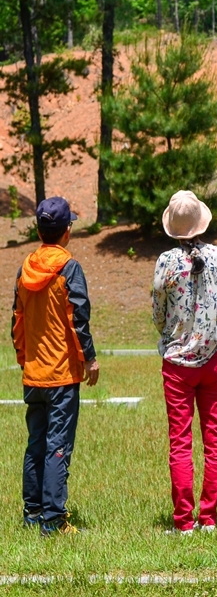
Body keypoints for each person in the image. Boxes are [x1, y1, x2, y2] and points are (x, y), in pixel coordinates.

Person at [12, 196, 99, 536]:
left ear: (39, 230)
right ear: (67, 232)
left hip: (33, 373)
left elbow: (17, 321)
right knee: (57, 446)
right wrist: (89, 359)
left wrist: (24, 359)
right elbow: (78, 319)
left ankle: (32, 512)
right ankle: (53, 520)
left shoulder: (25, 268)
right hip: (61, 375)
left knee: (36, 443)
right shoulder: (69, 268)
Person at [153, 190, 217, 535]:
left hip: (177, 364)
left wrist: (170, 332)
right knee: (214, 439)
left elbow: (157, 311)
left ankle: (184, 521)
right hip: (212, 360)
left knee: (180, 441)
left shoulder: (166, 262)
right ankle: (209, 517)